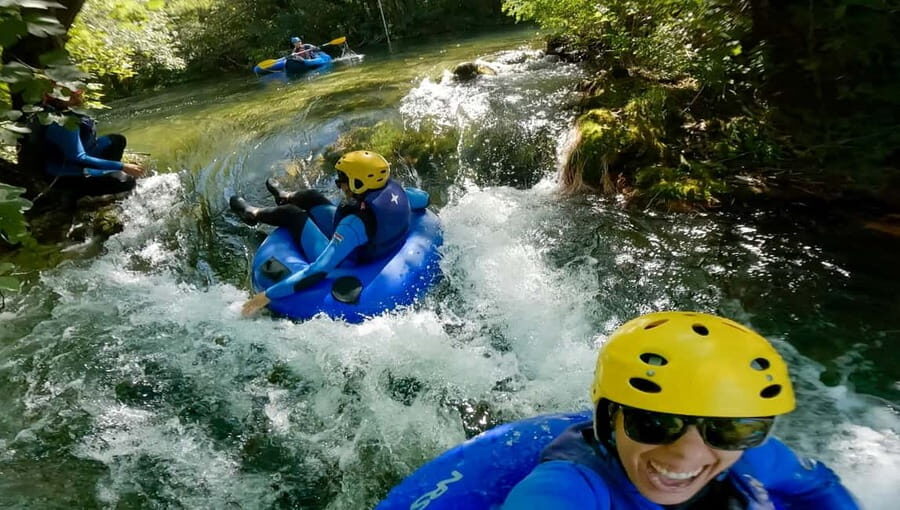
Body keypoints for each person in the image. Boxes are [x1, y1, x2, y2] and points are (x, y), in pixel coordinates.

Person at [502, 311, 860, 509]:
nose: (687, 453)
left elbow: (818, 487)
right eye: (655, 422)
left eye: (728, 428)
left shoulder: (750, 455)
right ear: (609, 418)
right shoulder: (569, 484)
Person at [230, 150, 430, 316]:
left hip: (348, 259)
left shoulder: (353, 225)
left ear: (358, 184)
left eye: (341, 179)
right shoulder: (398, 193)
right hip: (372, 242)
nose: (338, 183)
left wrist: (267, 295)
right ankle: (285, 196)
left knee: (293, 215)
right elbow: (424, 199)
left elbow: (318, 270)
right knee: (312, 197)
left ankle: (253, 213)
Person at [24, 88, 145, 198]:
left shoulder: (51, 113)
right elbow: (79, 157)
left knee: (117, 140)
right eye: (74, 92)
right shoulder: (63, 123)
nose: (80, 93)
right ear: (62, 98)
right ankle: (83, 192)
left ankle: (106, 173)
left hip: (71, 162)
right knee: (127, 182)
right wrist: (122, 166)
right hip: (66, 175)